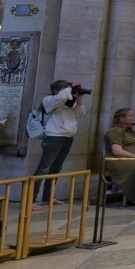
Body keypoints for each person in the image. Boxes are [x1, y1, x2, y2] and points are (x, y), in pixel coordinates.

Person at [32, 80, 90, 209]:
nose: (69, 91)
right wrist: (70, 87)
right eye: (66, 89)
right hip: (54, 137)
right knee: (43, 168)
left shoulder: (68, 102)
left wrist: (79, 98)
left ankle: (48, 197)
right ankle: (31, 200)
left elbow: (80, 113)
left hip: (67, 137)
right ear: (56, 90)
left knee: (56, 168)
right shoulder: (49, 100)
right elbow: (62, 96)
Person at [103, 108, 135, 206]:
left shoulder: (129, 131)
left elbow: (134, 147)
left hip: (130, 158)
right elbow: (117, 151)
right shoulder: (115, 132)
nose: (134, 117)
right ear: (121, 118)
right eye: (130, 115)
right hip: (118, 161)